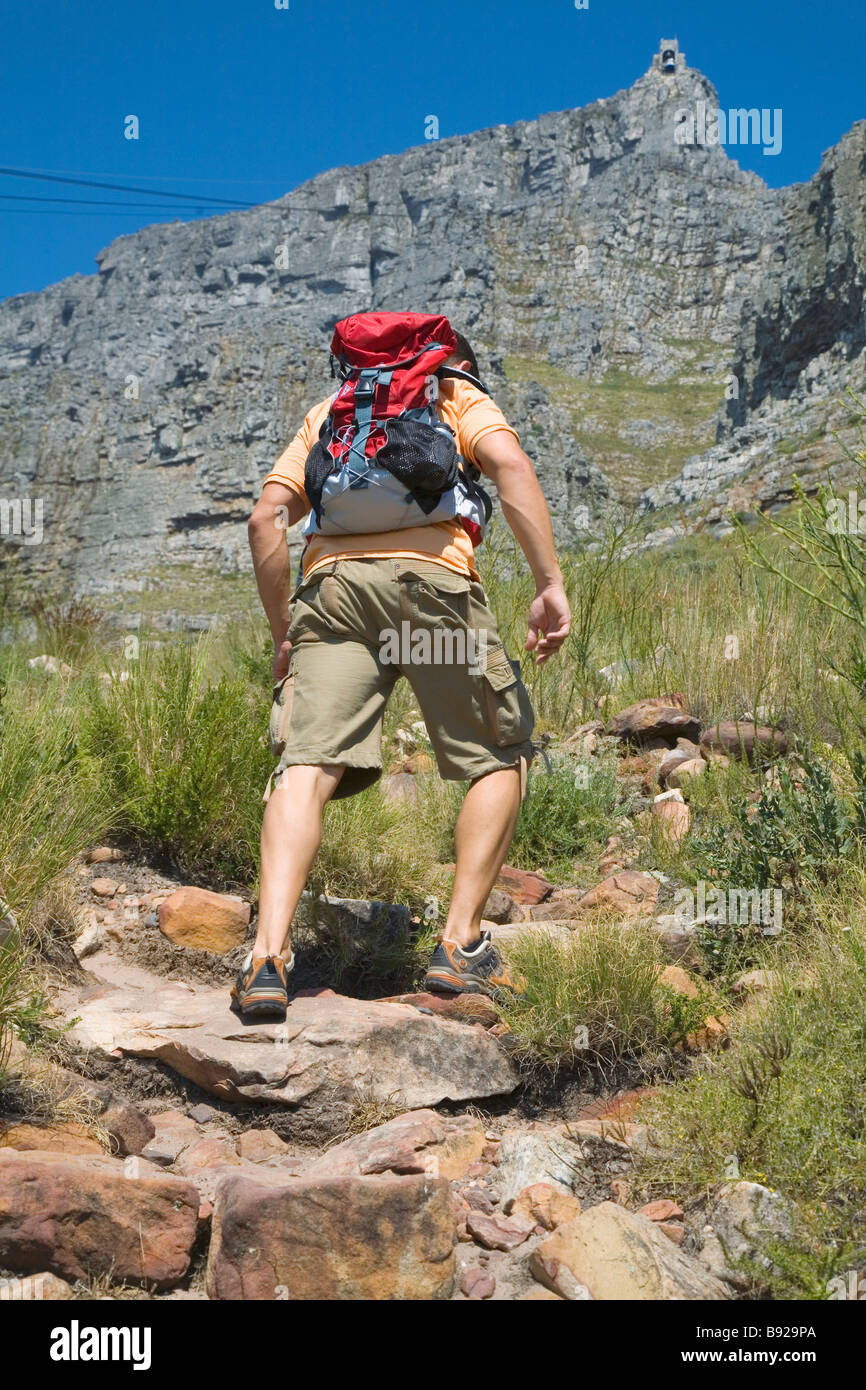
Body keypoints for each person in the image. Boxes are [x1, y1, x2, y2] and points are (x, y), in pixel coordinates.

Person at [235, 320, 571, 1018]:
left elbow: (267, 518)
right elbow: (510, 466)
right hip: (431, 591)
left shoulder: (333, 413)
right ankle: (460, 946)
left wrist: (282, 633)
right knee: (495, 756)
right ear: (451, 363)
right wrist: (549, 583)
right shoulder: (456, 396)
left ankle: (267, 957)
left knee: (307, 765)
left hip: (333, 598)